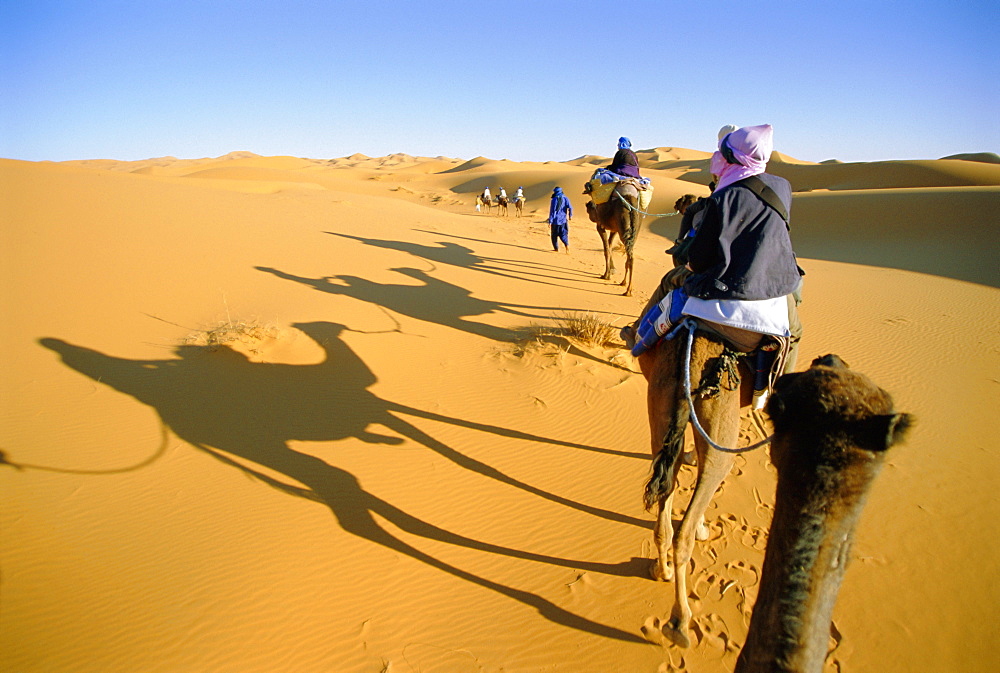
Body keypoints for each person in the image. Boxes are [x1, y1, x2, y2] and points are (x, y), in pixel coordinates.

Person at [624, 124, 804, 373]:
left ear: (729, 158)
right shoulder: (783, 187)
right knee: (793, 332)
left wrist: (690, 262)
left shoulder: (720, 198)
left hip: (728, 286)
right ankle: (777, 385)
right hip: (775, 281)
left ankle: (637, 333)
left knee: (670, 280)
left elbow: (698, 261)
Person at [547, 186, 573, 253]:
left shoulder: (554, 200)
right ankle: (567, 246)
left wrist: (550, 221)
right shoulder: (566, 199)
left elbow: (552, 211)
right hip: (563, 221)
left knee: (554, 236)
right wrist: (570, 215)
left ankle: (556, 249)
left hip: (555, 221)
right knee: (563, 234)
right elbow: (570, 207)